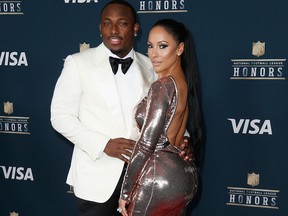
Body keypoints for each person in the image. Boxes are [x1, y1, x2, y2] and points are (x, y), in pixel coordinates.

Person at [50, 1, 193, 215]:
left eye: (122, 23)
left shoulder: (152, 65)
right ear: (100, 29)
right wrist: (104, 144)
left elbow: (167, 108)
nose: (114, 30)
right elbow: (60, 117)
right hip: (97, 178)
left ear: (135, 28)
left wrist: (182, 139)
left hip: (145, 181)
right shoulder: (78, 63)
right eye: (107, 24)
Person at [118, 19, 203, 216]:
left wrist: (125, 192)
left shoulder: (163, 85)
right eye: (150, 46)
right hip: (184, 175)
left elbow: (147, 143)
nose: (153, 54)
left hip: (158, 176)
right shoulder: (183, 82)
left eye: (162, 46)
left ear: (180, 48)